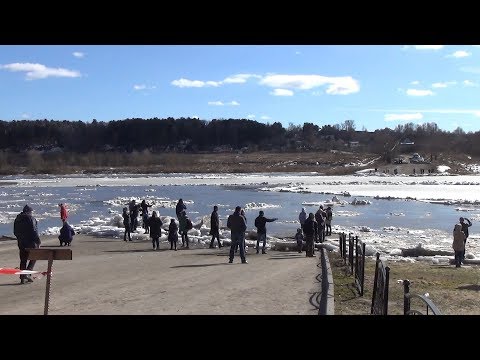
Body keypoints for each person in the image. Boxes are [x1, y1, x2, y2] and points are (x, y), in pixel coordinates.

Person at [13, 205, 41, 284]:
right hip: (31, 243)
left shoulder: (17, 219)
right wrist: (38, 241)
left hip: (21, 243)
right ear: (30, 211)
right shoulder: (31, 218)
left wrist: (20, 238)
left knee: (23, 260)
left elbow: (15, 232)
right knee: (34, 257)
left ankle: (23, 277)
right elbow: (34, 231)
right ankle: (27, 273)